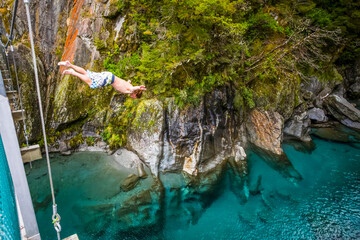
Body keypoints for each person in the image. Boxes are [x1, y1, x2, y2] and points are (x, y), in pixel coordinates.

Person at [58, 61, 146, 99]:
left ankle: (69, 64)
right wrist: (139, 87)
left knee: (87, 74)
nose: (133, 98)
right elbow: (132, 89)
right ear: (135, 94)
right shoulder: (130, 90)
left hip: (108, 75)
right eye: (135, 97)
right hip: (109, 79)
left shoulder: (129, 85)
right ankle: (73, 72)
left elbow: (128, 82)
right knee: (92, 84)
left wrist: (128, 82)